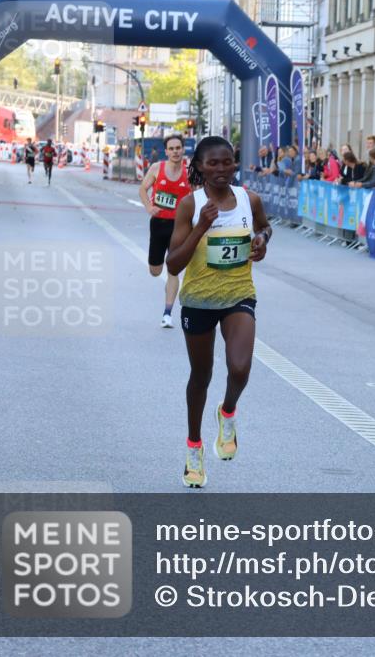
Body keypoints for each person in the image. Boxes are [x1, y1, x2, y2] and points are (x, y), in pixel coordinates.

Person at [165, 136, 270, 488]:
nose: (222, 169)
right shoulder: (190, 205)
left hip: (239, 294)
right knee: (201, 375)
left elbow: (264, 226)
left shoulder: (248, 199)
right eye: (213, 163)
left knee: (239, 368)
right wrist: (200, 228)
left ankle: (227, 412)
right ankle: (194, 448)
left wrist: (262, 241)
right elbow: (173, 263)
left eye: (227, 162)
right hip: (198, 300)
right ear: (199, 167)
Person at [139, 134, 191, 328]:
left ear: (183, 149)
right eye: (172, 148)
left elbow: (198, 195)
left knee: (173, 270)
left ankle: (167, 313)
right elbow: (142, 189)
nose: (175, 152)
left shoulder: (190, 172)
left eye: (178, 148)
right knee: (155, 270)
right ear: (166, 151)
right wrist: (148, 207)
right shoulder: (156, 168)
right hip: (159, 224)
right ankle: (167, 285)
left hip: (180, 227)